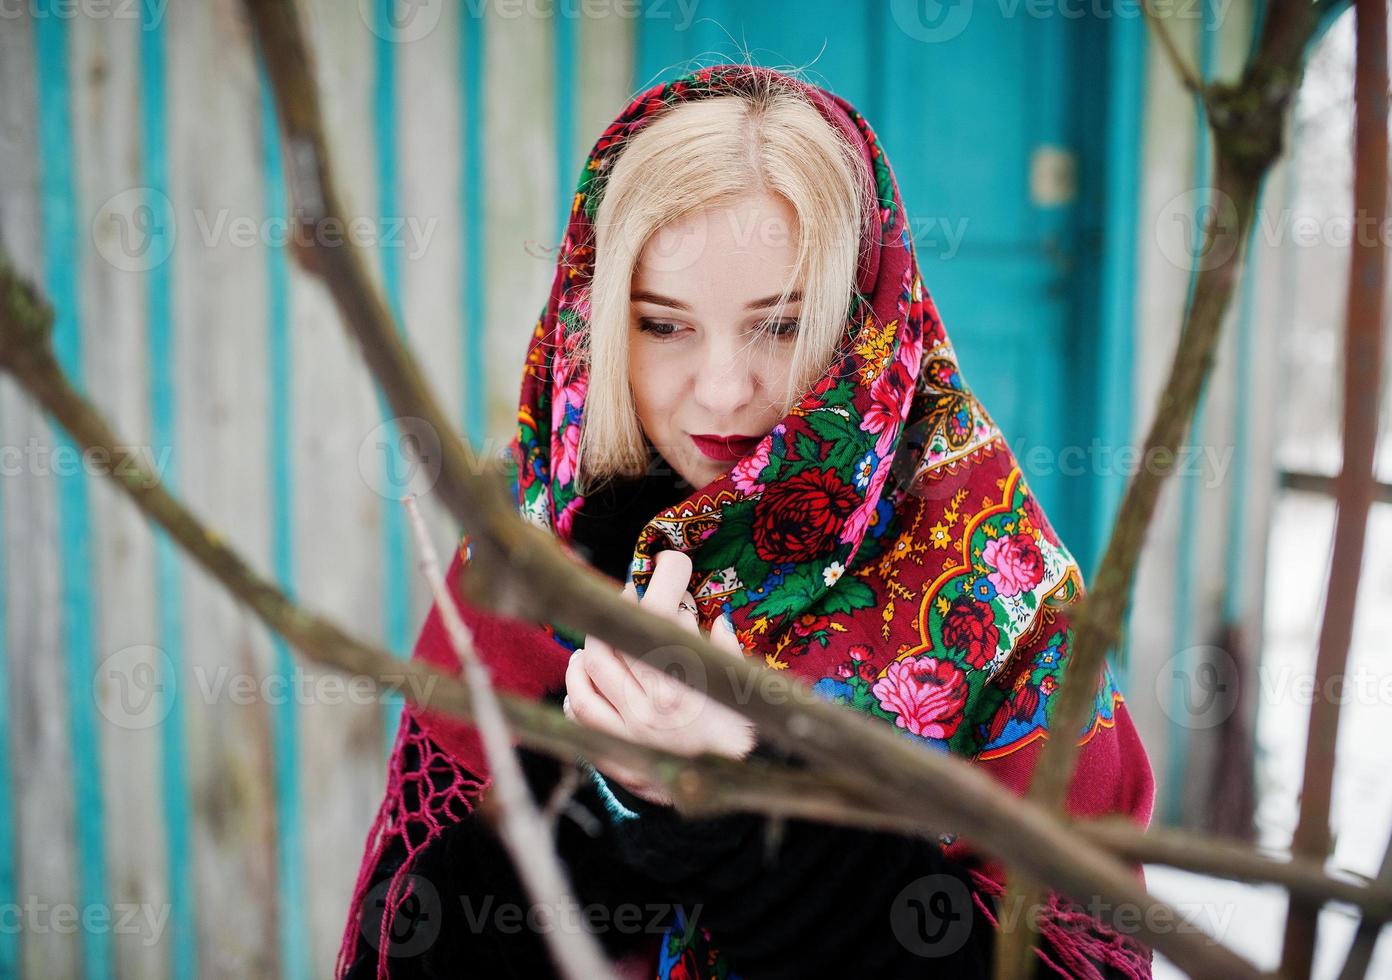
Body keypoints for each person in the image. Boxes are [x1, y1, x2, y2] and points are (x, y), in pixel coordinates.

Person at [337, 63, 1156, 979]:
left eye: (779, 326)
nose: (723, 391)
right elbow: (407, 945)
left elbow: (1066, 961)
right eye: (662, 325)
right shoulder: (531, 555)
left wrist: (748, 798)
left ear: (863, 329)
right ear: (597, 322)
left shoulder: (997, 583)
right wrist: (600, 785)